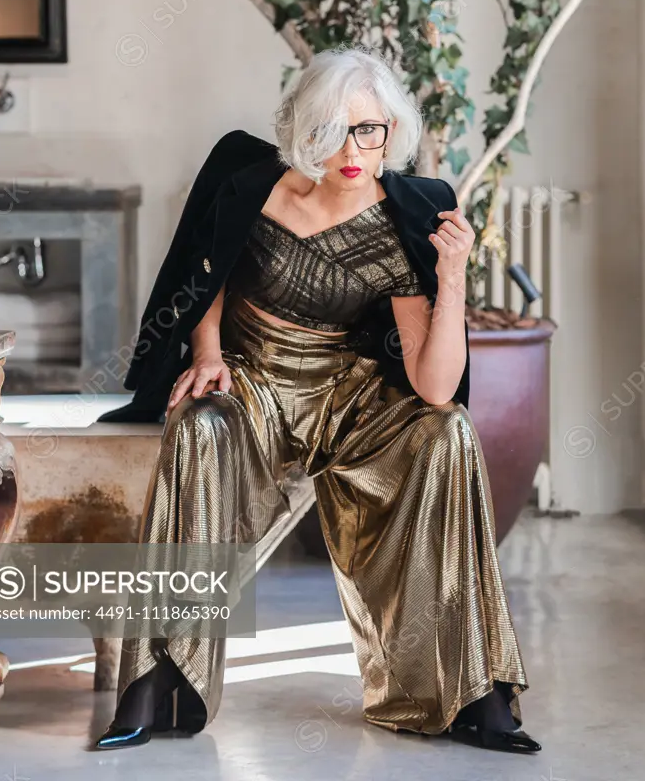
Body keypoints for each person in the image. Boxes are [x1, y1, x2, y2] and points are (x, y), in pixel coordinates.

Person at [95, 46, 540, 755]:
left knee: (447, 431)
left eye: (372, 130)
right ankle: (158, 677)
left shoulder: (406, 219)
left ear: (391, 132)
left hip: (347, 392)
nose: (356, 149)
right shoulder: (251, 184)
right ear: (308, 131)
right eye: (337, 130)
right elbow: (200, 278)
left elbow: (431, 385)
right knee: (198, 431)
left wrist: (451, 275)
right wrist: (206, 353)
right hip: (252, 378)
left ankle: (470, 689)